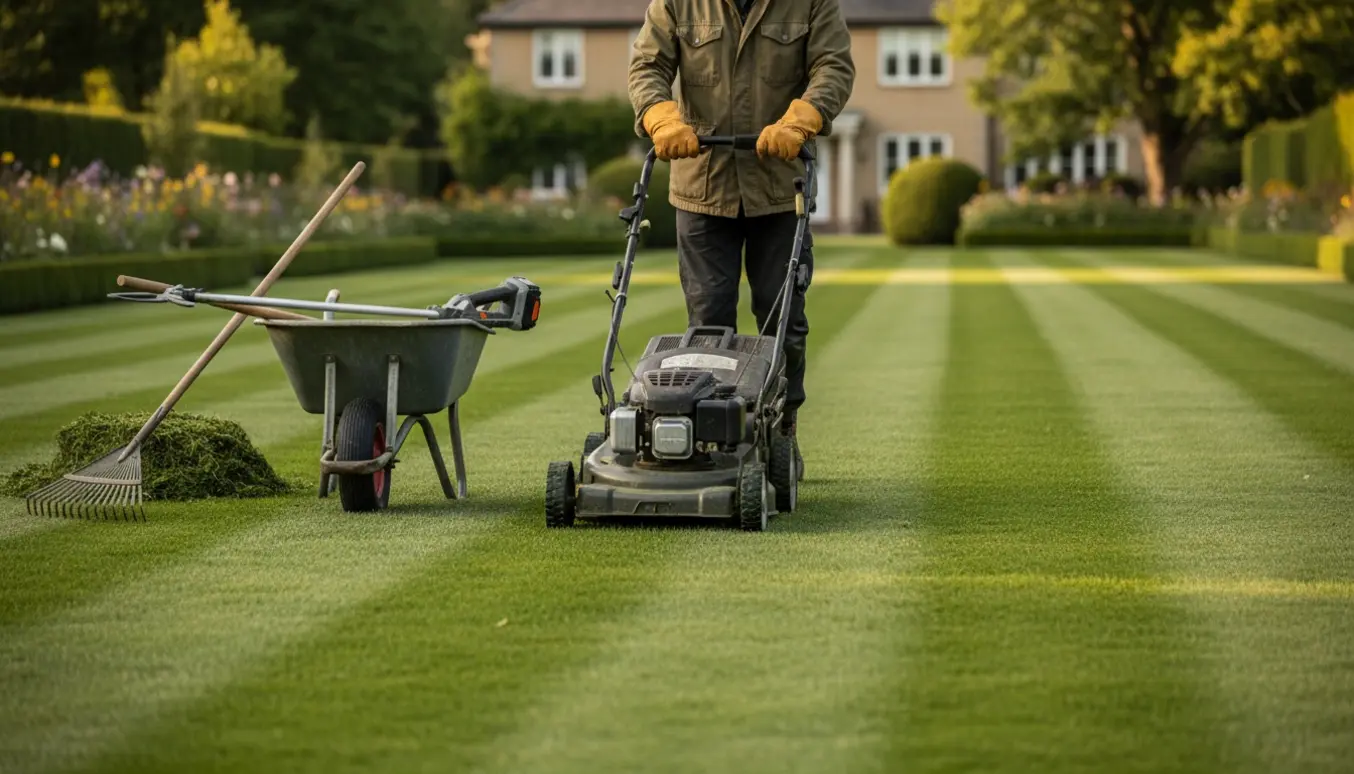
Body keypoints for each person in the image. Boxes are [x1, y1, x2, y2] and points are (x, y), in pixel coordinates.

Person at [628, 0, 855, 476]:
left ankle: (782, 426)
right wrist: (662, 119)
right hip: (702, 186)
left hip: (780, 187)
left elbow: (833, 66)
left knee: (784, 318)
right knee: (709, 320)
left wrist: (800, 121)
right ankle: (713, 436)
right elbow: (648, 65)